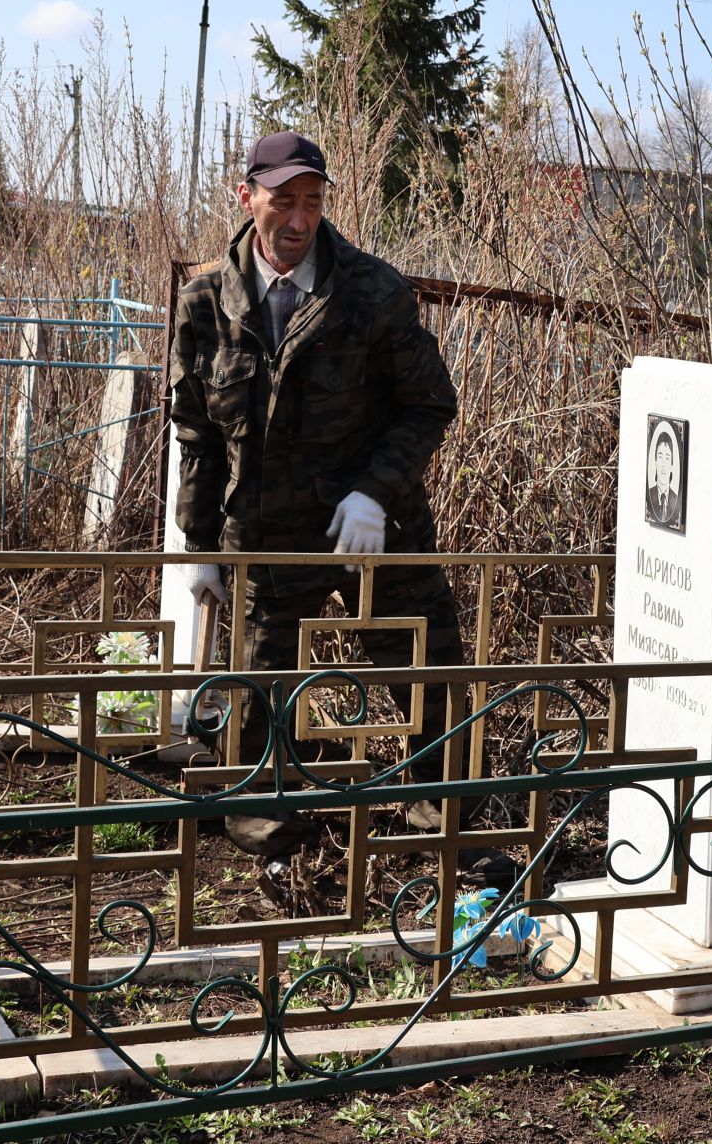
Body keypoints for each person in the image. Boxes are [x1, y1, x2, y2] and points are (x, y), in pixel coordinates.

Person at [169, 130, 494, 888]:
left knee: (425, 666)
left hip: (374, 527)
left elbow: (429, 404)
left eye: (313, 201)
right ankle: (267, 823)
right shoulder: (205, 301)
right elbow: (195, 430)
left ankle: (434, 815)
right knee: (260, 679)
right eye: (285, 200)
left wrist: (375, 492)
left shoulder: (373, 291)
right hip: (268, 528)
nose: (299, 217)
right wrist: (200, 540)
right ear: (246, 196)